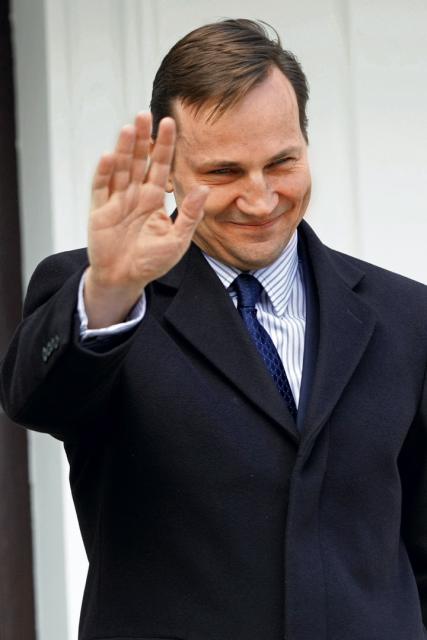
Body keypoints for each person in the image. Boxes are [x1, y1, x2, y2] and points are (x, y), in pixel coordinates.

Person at [1, 18, 427, 640]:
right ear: (167, 169)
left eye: (281, 162)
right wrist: (110, 290)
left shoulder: (407, 316)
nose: (260, 199)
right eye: (224, 173)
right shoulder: (104, 294)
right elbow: (36, 400)